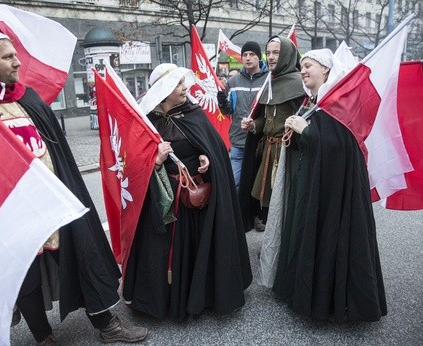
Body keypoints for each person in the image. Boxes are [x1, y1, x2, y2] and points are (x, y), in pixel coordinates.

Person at [0, 29, 148, 344]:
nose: (17, 62)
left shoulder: (26, 96)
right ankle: (43, 336)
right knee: (24, 275)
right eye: (8, 57)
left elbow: (54, 148)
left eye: (16, 54)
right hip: (7, 211)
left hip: (51, 199)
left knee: (83, 255)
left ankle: (106, 323)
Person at [123, 63, 252, 320]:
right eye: (179, 84)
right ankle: (164, 301)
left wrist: (207, 159)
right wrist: (155, 161)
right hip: (163, 200)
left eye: (184, 83)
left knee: (197, 247)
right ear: (164, 89)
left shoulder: (193, 113)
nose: (185, 88)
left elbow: (213, 146)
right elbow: (131, 162)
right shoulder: (146, 119)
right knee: (161, 250)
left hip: (194, 200)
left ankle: (201, 297)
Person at [271, 48, 387, 322]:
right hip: (312, 185)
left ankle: (332, 303)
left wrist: (306, 131)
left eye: (308, 65)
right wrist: (295, 129)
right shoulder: (313, 101)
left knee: (329, 239)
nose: (303, 71)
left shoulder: (338, 102)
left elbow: (342, 147)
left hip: (333, 193)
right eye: (301, 66)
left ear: (325, 69)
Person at [238, 36, 305, 232]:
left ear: (286, 54)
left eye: (276, 52)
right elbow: (265, 119)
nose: (271, 57)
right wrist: (253, 126)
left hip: (287, 153)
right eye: (269, 52)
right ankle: (272, 245)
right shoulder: (269, 82)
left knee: (284, 201)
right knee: (267, 203)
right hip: (266, 151)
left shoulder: (299, 84)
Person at [217, 41, 268, 194]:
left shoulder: (268, 80)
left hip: (261, 139)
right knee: (235, 183)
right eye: (245, 55)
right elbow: (228, 111)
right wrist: (222, 104)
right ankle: (237, 216)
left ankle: (255, 216)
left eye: (252, 54)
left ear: (258, 57)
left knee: (257, 184)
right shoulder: (233, 81)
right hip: (238, 140)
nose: (248, 58)